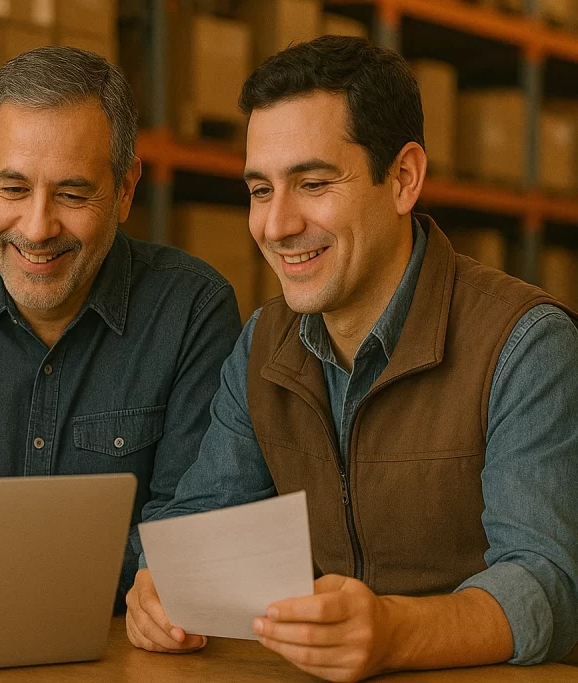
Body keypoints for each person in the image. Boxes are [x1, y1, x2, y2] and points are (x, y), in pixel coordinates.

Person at [125, 36, 578, 680]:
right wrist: (158, 585)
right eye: (260, 189)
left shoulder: (525, 343)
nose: (276, 225)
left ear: (402, 179)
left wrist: (394, 631)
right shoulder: (261, 345)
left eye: (312, 183)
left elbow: (549, 584)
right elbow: (203, 526)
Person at [0, 46, 242, 610]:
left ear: (126, 189)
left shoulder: (192, 314)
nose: (37, 228)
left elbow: (185, 540)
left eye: (72, 193)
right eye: (13, 189)